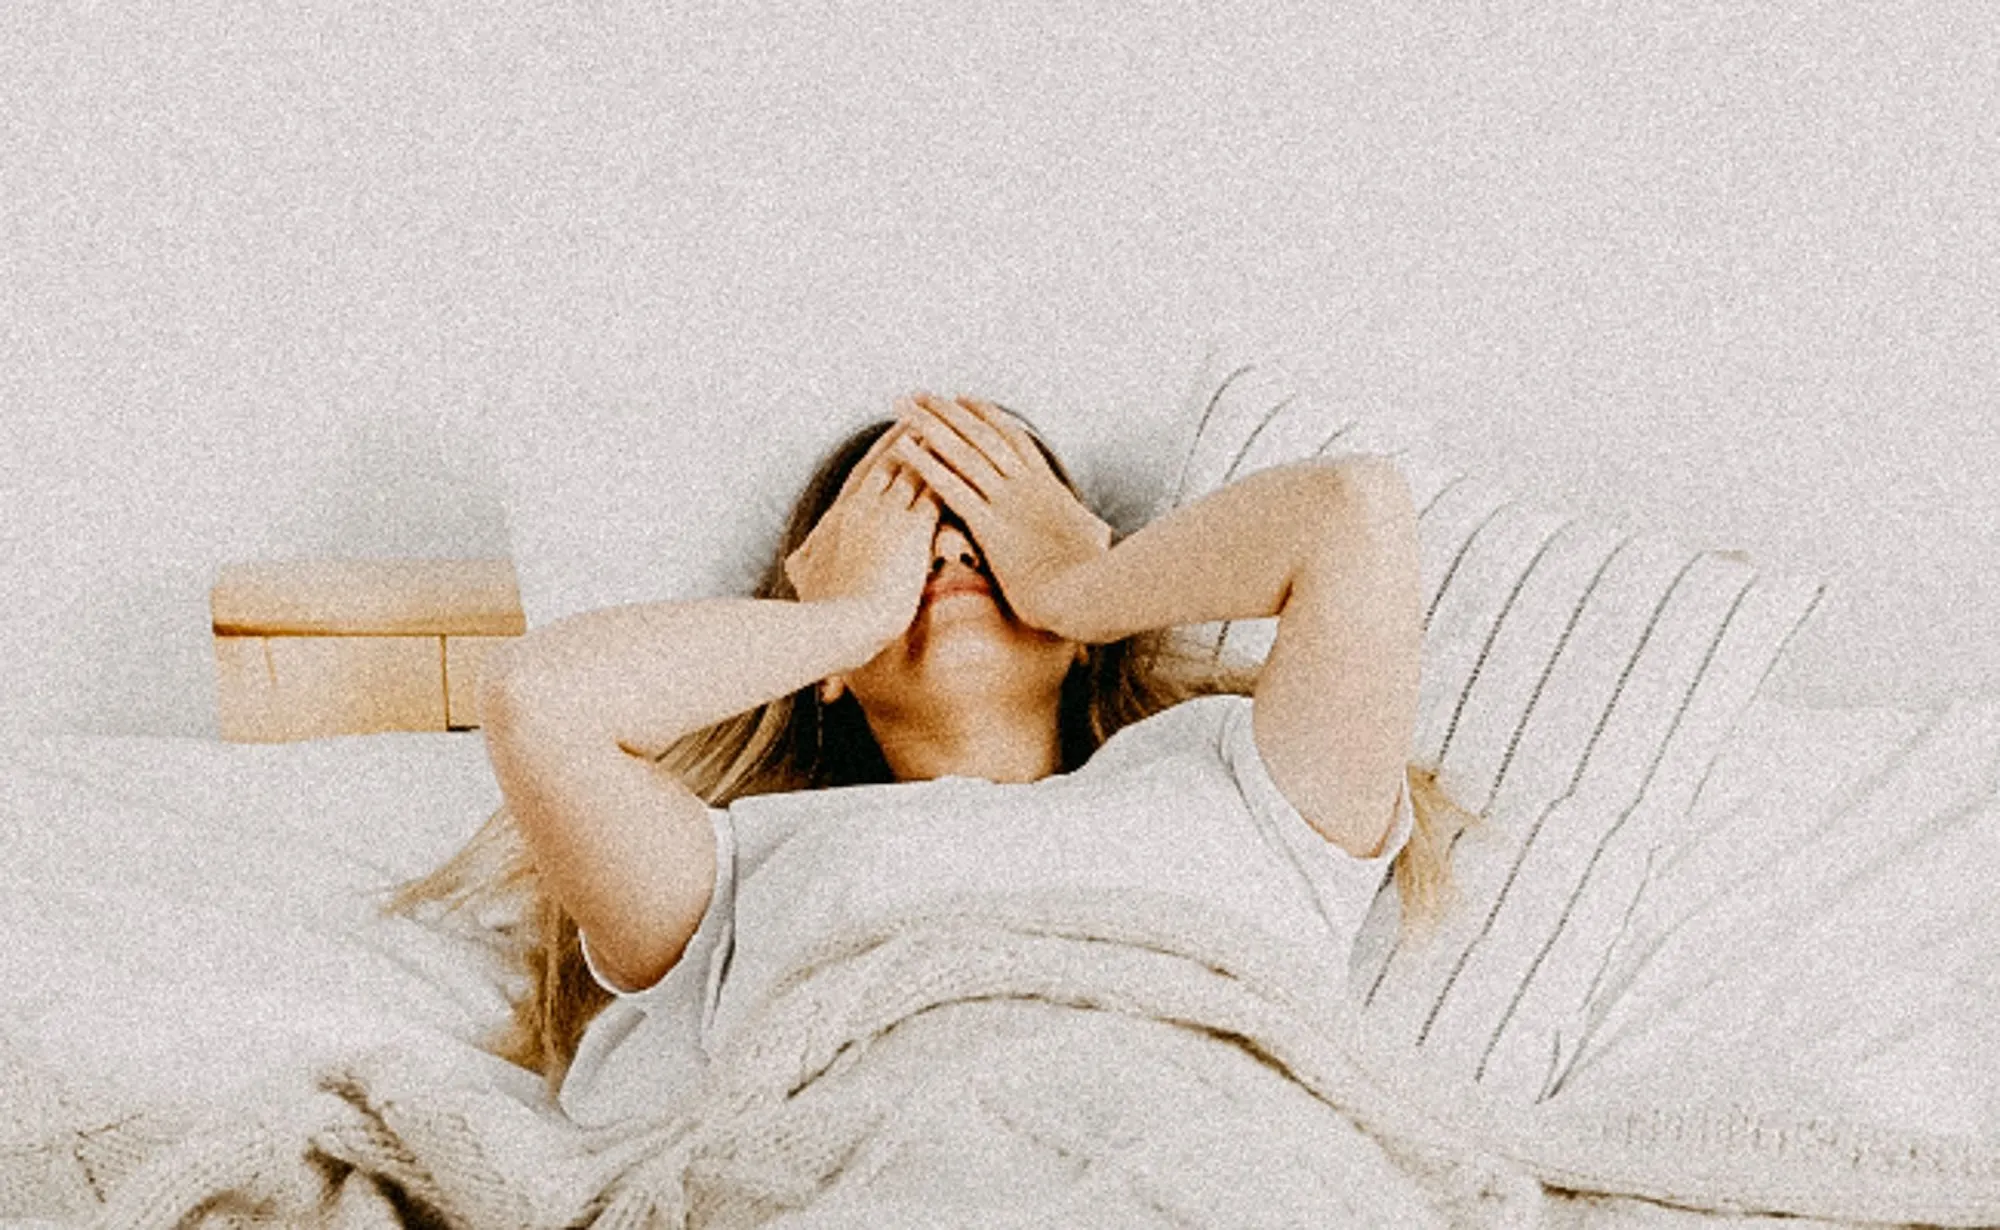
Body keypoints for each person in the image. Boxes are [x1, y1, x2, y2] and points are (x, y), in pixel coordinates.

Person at [394, 392, 1475, 1116]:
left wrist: (1078, 582)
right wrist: (847, 615)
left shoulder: (1238, 783)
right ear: (824, 665)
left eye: (989, 527)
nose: (952, 546)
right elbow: (539, 702)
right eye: (907, 533)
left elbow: (1353, 510)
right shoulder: (739, 867)